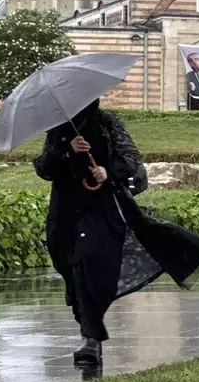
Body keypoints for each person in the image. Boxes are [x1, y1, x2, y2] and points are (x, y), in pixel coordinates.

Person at [33, 98, 142, 366]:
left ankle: (91, 339)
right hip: (66, 213)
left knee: (89, 266)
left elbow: (131, 159)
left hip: (101, 210)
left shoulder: (108, 123)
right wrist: (65, 149)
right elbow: (44, 168)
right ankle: (88, 328)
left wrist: (107, 170)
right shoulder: (58, 131)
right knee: (73, 270)